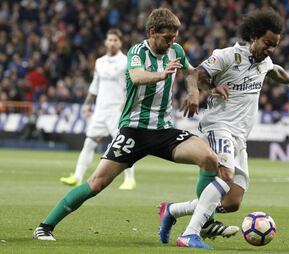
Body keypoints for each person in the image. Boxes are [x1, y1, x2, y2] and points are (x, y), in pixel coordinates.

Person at [33, 8, 229, 250]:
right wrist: (162, 74)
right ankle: (45, 226)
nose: (172, 43)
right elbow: (136, 76)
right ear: (152, 32)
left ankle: (205, 222)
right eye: (167, 37)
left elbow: (191, 73)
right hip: (133, 131)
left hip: (164, 131)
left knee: (209, 159)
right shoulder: (137, 52)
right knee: (96, 183)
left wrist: (201, 90)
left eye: (175, 37)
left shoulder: (176, 50)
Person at [159, 9, 289, 249]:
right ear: (253, 36)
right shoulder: (227, 56)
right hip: (218, 126)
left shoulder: (265, 61)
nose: (271, 49)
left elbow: (275, 71)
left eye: (275, 45)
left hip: (240, 136)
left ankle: (174, 210)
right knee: (225, 176)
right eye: (268, 43)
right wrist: (201, 92)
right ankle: (190, 233)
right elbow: (197, 75)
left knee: (232, 202)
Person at [59, 29, 137, 190]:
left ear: (120, 42)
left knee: (123, 146)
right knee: (89, 143)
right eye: (110, 40)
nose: (112, 43)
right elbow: (95, 85)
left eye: (115, 40)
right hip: (100, 110)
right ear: (105, 42)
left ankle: (130, 179)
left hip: (117, 110)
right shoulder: (99, 62)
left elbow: (132, 86)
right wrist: (87, 103)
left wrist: (127, 105)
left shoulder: (126, 62)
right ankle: (77, 176)